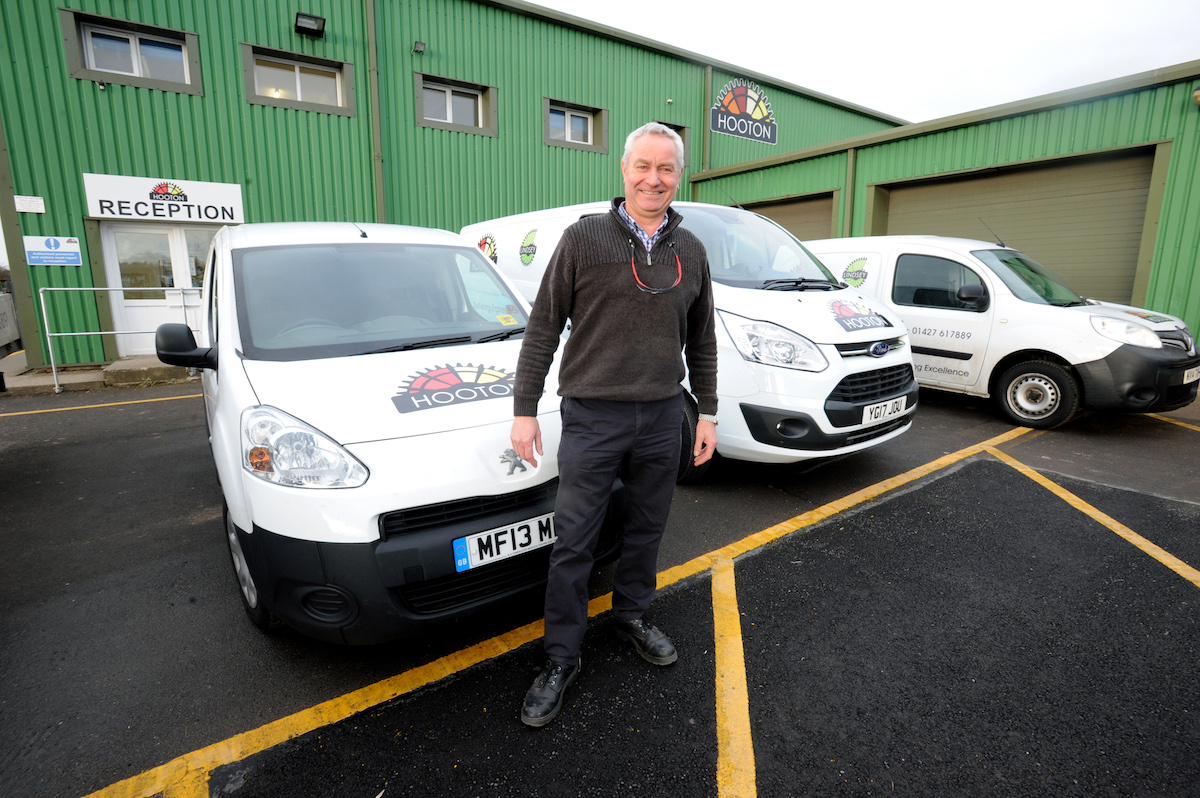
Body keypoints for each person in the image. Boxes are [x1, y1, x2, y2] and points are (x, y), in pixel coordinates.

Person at [510, 122, 719, 727]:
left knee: (646, 529)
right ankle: (561, 657)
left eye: (667, 169)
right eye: (643, 167)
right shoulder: (583, 240)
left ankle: (631, 616)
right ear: (623, 170)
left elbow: (702, 339)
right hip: (593, 417)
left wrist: (705, 411)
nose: (654, 179)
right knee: (574, 541)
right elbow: (543, 327)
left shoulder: (693, 251)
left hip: (661, 416)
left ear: (679, 175)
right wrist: (525, 409)